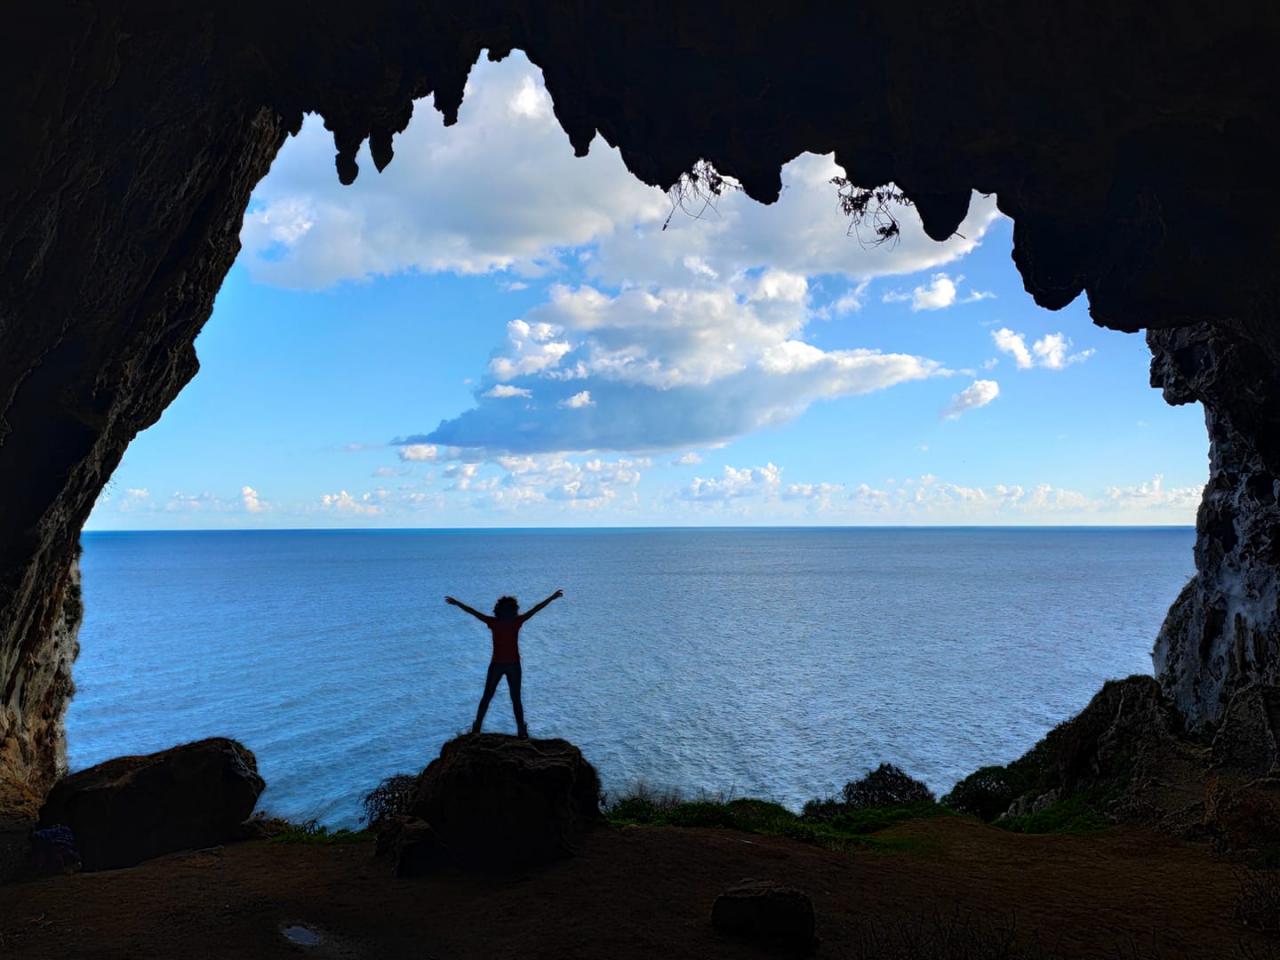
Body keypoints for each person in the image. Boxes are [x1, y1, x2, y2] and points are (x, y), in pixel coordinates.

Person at [445, 589, 564, 738]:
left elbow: (473, 612)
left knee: (493, 697)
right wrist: (551, 597)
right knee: (508, 698)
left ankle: (481, 728)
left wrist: (552, 597)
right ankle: (518, 730)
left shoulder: (497, 622)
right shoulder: (512, 622)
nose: (508, 612)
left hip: (502, 665)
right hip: (509, 665)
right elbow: (535, 609)